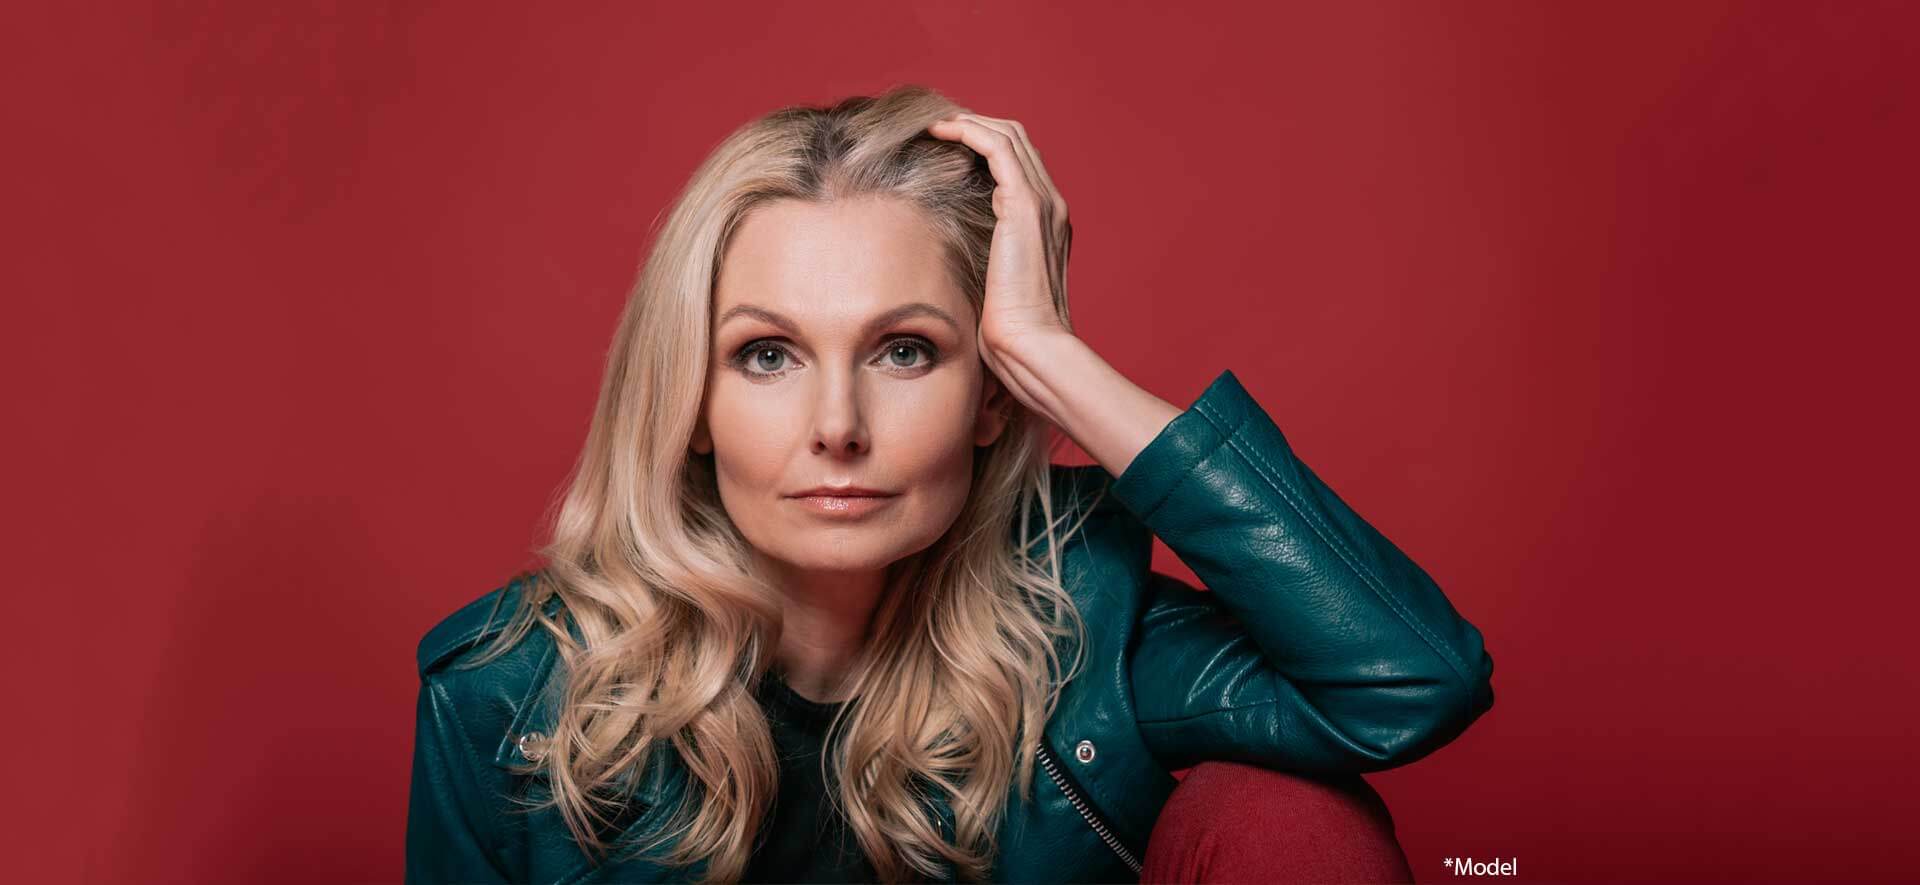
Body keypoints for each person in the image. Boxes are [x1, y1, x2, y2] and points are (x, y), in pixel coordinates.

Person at [404, 84, 1496, 884]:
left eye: (906, 351)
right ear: (688, 401)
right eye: (767, 355)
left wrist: (1051, 353)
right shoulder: (506, 698)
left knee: (1294, 822)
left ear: (989, 398)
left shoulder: (1083, 643)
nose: (837, 428)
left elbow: (1409, 681)